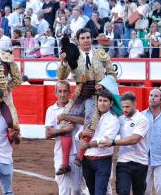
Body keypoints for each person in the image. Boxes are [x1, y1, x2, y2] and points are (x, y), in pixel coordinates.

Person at [56, 28, 117, 174]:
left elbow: (112, 74)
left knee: (91, 122)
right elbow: (61, 76)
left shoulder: (101, 54)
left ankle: (79, 156)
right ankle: (65, 164)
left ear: (92, 38)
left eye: (88, 37)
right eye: (82, 38)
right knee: (64, 124)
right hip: (79, 93)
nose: (86, 40)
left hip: (96, 94)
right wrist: (64, 62)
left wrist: (103, 84)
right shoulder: (73, 54)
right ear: (78, 40)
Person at [99, 92, 149, 195]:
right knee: (123, 191)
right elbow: (109, 133)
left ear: (135, 105)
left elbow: (134, 139)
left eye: (127, 107)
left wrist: (112, 142)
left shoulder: (142, 119)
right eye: (123, 107)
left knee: (139, 193)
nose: (125, 109)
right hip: (123, 161)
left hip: (141, 162)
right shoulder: (120, 119)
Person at [45, 81, 83, 194]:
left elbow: (85, 121)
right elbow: (47, 134)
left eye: (65, 91)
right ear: (55, 93)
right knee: (64, 190)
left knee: (76, 189)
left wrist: (67, 117)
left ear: (69, 92)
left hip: (76, 153)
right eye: (59, 91)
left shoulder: (76, 107)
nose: (62, 94)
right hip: (60, 154)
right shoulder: (51, 110)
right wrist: (64, 130)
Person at [79, 90, 119, 195]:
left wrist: (87, 144)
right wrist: (81, 133)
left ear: (111, 103)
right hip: (86, 161)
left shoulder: (113, 119)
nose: (102, 103)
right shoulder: (90, 116)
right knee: (92, 192)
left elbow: (106, 140)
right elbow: (77, 136)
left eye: (105, 101)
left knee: (100, 192)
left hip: (103, 161)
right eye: (100, 100)